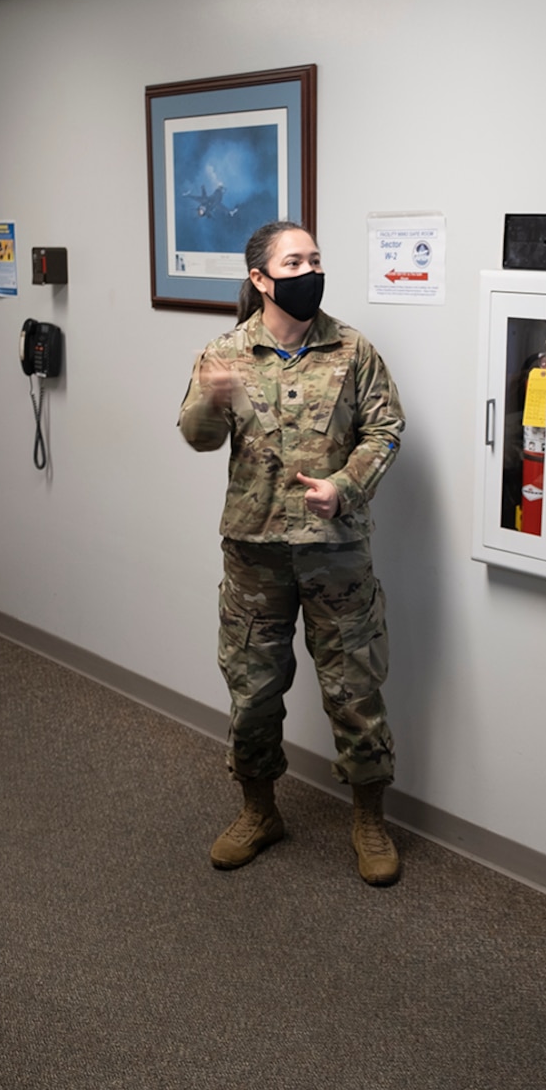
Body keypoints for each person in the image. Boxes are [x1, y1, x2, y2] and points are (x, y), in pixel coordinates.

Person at [178, 220, 407, 885]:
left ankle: (368, 817)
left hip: (337, 553)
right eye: (294, 260)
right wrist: (209, 396)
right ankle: (258, 810)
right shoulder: (225, 352)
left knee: (355, 687)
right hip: (255, 556)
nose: (309, 268)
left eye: (315, 258)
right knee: (252, 693)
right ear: (260, 278)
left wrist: (344, 484)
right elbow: (195, 437)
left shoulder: (352, 348)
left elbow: (386, 430)